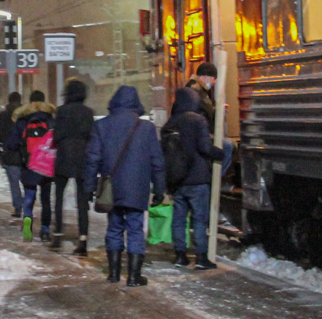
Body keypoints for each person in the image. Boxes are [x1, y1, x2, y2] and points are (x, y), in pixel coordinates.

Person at [83, 84, 165, 286]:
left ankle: (113, 273)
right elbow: (157, 161)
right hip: (137, 188)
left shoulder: (101, 126)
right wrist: (160, 189)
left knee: (114, 227)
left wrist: (89, 188)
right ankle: (134, 276)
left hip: (113, 188)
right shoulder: (145, 128)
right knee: (136, 229)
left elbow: (92, 159)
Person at [164, 84, 226, 269]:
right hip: (197, 179)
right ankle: (200, 257)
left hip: (177, 179)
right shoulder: (197, 120)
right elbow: (205, 148)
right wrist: (221, 153)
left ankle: (180, 255)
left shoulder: (170, 123)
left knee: (179, 219)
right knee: (199, 219)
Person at [50, 79, 95, 254]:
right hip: (82, 158)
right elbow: (91, 136)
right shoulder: (88, 112)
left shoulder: (62, 111)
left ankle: (58, 235)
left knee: (59, 197)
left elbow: (57, 135)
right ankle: (83, 239)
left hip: (63, 157)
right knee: (82, 200)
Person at [5, 90, 55, 242]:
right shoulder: (50, 119)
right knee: (45, 199)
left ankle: (28, 222)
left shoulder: (23, 120)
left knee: (29, 197)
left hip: (29, 164)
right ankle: (45, 229)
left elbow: (11, 143)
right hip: (46, 165)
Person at [0, 90, 26, 219]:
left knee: (14, 183)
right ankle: (28, 206)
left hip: (9, 154)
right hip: (24, 154)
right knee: (27, 182)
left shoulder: (3, 116)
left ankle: (18, 208)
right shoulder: (25, 115)